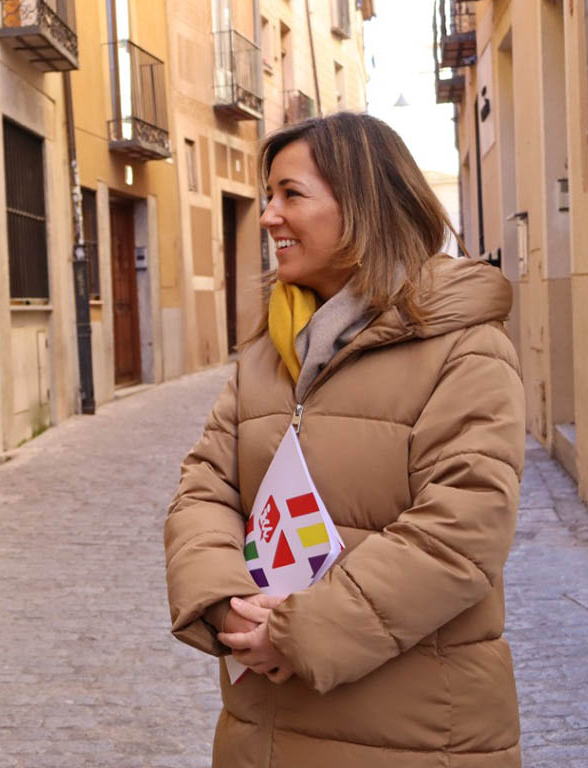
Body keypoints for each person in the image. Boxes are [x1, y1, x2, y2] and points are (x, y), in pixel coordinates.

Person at [164, 112, 524, 767]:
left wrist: (303, 633)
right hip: (262, 735)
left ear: (363, 206)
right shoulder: (267, 356)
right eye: (268, 196)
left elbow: (467, 523)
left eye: (291, 195)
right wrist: (225, 603)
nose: (269, 215)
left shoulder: (465, 347)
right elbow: (204, 487)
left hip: (411, 734)